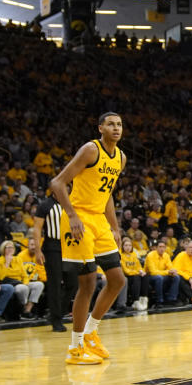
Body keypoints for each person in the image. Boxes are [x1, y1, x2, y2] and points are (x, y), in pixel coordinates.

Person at [48, 112, 127, 365]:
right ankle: (75, 347)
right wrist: (71, 215)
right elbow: (57, 183)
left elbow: (108, 193)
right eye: (111, 124)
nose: (116, 128)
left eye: (119, 124)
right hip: (79, 218)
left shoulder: (121, 158)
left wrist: (114, 225)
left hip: (99, 220)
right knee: (88, 284)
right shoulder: (91, 150)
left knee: (117, 280)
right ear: (100, 127)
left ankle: (92, 331)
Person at [31, 197, 76, 332]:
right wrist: (38, 251)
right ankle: (56, 320)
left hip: (69, 246)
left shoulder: (70, 203)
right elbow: (37, 228)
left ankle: (57, 313)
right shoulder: (45, 205)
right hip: (52, 247)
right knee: (55, 284)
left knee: (73, 283)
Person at [0, 240, 44, 319]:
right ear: (3, 249)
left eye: (12, 247)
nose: (10, 249)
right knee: (22, 288)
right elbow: (1, 277)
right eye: (8, 247)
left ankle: (27, 309)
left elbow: (24, 275)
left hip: (21, 282)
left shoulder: (18, 259)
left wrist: (25, 283)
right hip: (12, 284)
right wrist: (7, 263)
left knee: (39, 285)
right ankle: (23, 309)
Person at [144, 240, 179, 308]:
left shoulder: (166, 255)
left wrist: (172, 272)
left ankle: (171, 299)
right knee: (159, 278)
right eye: (160, 247)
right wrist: (168, 272)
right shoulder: (150, 255)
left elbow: (170, 268)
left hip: (162, 275)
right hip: (149, 276)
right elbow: (153, 272)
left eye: (163, 247)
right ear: (156, 248)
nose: (162, 249)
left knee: (176, 277)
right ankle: (159, 301)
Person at [119, 237, 147, 311]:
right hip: (126, 276)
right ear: (122, 246)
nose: (128, 247)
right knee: (136, 277)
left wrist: (141, 271)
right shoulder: (121, 256)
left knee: (145, 276)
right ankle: (135, 301)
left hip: (134, 274)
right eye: (126, 245)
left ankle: (143, 298)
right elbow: (126, 271)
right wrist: (138, 272)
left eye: (129, 245)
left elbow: (138, 266)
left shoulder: (134, 255)